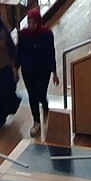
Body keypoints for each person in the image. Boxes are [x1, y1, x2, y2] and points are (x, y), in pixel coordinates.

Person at [15, 8, 58, 137]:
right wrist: (15, 68)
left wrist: (54, 72)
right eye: (29, 21)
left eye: (34, 22)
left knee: (40, 93)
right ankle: (36, 121)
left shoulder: (47, 34)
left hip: (43, 70)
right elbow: (20, 52)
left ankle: (45, 104)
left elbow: (51, 52)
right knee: (32, 95)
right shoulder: (23, 34)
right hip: (28, 70)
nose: (31, 24)